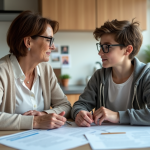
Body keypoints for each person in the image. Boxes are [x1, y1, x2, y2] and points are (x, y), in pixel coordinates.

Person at [0, 11, 71, 130]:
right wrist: (35, 122)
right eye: (49, 40)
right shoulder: (2, 71)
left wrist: (44, 114)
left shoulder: (46, 69)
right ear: (28, 42)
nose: (53, 46)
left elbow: (65, 105)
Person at [71, 19, 150, 126]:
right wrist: (79, 113)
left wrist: (117, 116)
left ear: (127, 50)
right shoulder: (98, 76)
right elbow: (81, 104)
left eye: (107, 47)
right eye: (100, 46)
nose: (100, 53)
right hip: (103, 137)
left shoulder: (146, 75)